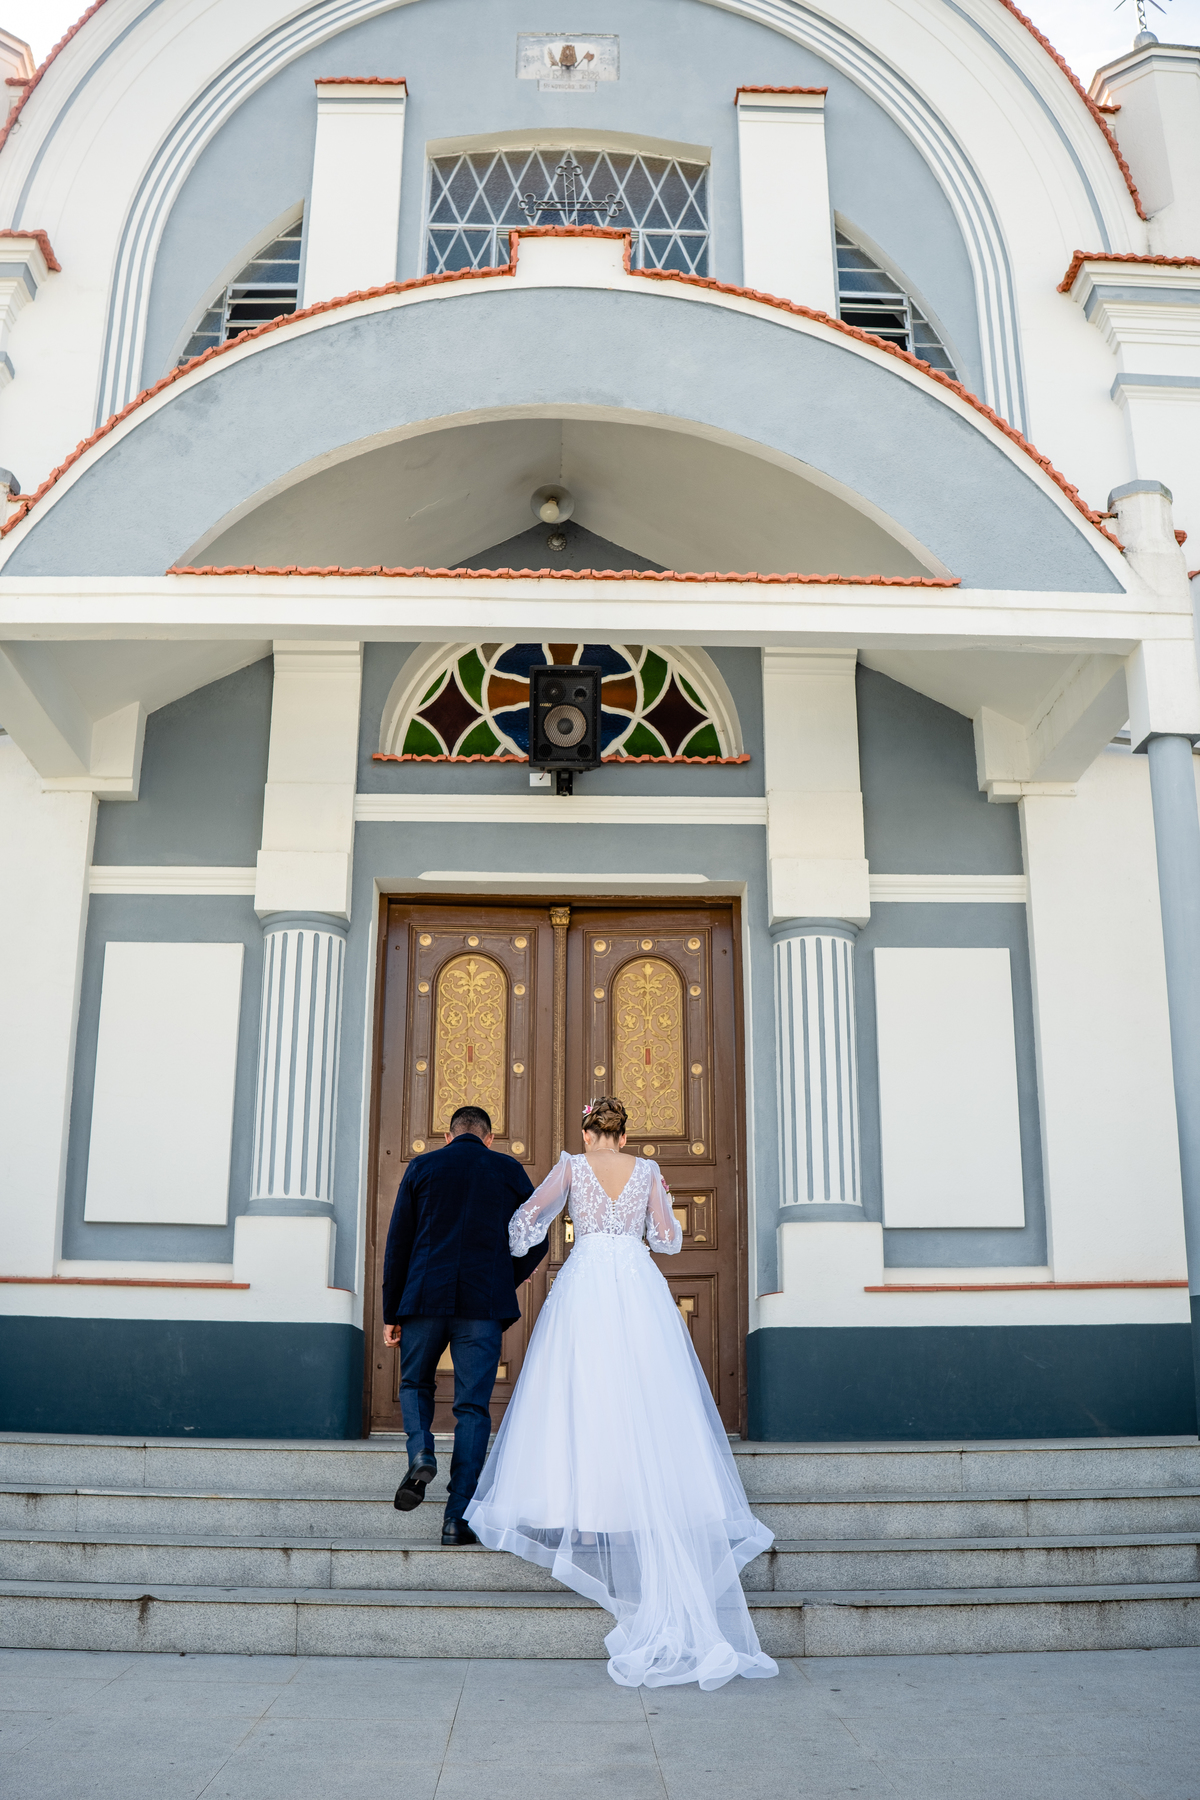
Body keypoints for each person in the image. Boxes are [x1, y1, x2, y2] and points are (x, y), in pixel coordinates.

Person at [465, 1096, 778, 1689]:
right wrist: (637, 1229)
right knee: (646, 1396)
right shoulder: (650, 1171)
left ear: (588, 1132)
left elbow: (526, 1221)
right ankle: (646, 1506)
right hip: (636, 1284)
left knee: (584, 1394)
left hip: (585, 1281)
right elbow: (668, 1239)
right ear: (624, 1133)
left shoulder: (572, 1167)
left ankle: (583, 1512)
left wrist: (532, 1233)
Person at [381, 1103, 547, 1544]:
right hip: (482, 1305)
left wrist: (391, 1313)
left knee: (415, 1384)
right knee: (472, 1408)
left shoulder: (423, 1166)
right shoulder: (507, 1169)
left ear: (450, 1136)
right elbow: (538, 1236)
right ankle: (457, 1519)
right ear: (489, 1137)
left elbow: (398, 1242)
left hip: (422, 1301)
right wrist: (503, 1279)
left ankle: (420, 1450)